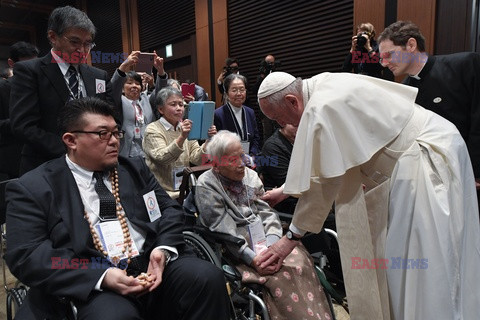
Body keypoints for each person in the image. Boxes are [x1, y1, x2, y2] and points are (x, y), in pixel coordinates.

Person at [256, 71, 480, 319]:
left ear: (291, 101)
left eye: (277, 118)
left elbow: (324, 181)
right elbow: (326, 164)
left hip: (423, 164)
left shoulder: (321, 107)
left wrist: (289, 239)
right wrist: (283, 191)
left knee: (426, 269)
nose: (281, 125)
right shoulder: (321, 85)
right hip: (416, 161)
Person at [4, 97, 229, 320]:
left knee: (206, 278)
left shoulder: (132, 169)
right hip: (92, 276)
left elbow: (170, 211)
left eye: (116, 133)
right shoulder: (34, 187)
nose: (114, 141)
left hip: (150, 261)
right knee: (113, 315)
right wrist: (101, 275)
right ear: (71, 140)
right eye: (103, 134)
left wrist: (162, 250)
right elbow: (27, 254)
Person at [194, 130, 332, 320]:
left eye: (242, 156)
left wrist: (274, 243)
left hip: (267, 237)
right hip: (236, 248)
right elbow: (223, 228)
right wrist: (253, 258)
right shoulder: (207, 186)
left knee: (300, 262)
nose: (242, 163)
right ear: (217, 166)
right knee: (278, 277)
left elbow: (267, 213)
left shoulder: (250, 176)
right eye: (234, 160)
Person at [378, 20, 480, 206]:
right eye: (381, 58)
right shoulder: (404, 93)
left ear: (411, 45)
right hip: (437, 189)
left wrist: (475, 171)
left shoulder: (465, 65)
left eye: (389, 55)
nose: (385, 64)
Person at [9, 5, 112, 175]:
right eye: (74, 42)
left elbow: (111, 116)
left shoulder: (98, 75)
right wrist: (72, 151)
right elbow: (23, 126)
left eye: (88, 44)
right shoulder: (30, 71)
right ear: (53, 37)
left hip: (93, 165)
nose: (82, 50)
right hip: (46, 166)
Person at [143, 87, 216, 199]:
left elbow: (197, 159)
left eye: (181, 104)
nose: (179, 109)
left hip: (186, 191)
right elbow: (162, 157)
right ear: (161, 109)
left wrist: (208, 141)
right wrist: (182, 137)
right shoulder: (152, 130)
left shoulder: (185, 127)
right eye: (173, 104)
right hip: (163, 194)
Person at [110, 51, 164, 158]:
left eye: (137, 83)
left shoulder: (146, 100)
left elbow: (161, 92)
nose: (134, 86)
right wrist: (124, 65)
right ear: (122, 87)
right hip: (126, 153)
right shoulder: (118, 101)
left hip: (149, 152)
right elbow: (113, 87)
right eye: (129, 83)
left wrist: (160, 71)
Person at [0, 41, 39, 179]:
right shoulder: (2, 88)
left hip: (41, 154)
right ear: (11, 63)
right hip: (13, 159)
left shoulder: (42, 85)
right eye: (25, 65)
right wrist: (22, 122)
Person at [214, 74, 261, 156]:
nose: (239, 94)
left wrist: (252, 155)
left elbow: (256, 138)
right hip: (229, 160)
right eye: (234, 90)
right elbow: (217, 143)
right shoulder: (218, 114)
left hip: (250, 159)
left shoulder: (250, 112)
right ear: (227, 93)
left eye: (242, 89)